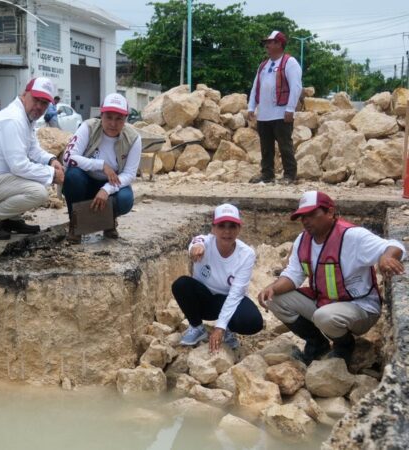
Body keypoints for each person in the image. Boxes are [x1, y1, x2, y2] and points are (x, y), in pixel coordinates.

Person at [258, 191, 405, 366]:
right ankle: (317, 345)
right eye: (302, 216)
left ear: (330, 212)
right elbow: (293, 275)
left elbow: (395, 245)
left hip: (361, 307)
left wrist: (387, 257)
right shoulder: (302, 240)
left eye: (312, 214)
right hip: (325, 303)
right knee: (275, 299)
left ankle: (344, 346)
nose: (306, 220)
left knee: (324, 317)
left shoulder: (351, 236)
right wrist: (273, 288)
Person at [0, 77, 64, 240]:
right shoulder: (13, 119)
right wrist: (52, 175)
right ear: (25, 94)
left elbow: (33, 150)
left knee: (37, 177)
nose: (39, 106)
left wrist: (51, 160)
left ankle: (10, 219)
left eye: (44, 103)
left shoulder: (25, 118)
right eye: (36, 99)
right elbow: (19, 166)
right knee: (38, 192)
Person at [171, 204, 263, 351]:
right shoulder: (204, 242)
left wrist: (220, 327)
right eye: (221, 226)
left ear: (239, 228)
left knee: (253, 321)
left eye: (232, 226)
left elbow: (236, 294)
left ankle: (228, 330)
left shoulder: (246, 254)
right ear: (213, 228)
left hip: (227, 300)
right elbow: (196, 242)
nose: (227, 231)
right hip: (205, 300)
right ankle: (196, 327)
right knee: (181, 284)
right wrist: (195, 249)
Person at [61, 93, 141, 242]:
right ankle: (75, 223)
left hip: (111, 185)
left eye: (119, 119)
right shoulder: (88, 127)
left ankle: (108, 222)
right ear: (101, 115)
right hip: (86, 181)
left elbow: (130, 174)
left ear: (125, 119)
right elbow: (68, 158)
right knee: (72, 177)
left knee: (125, 199)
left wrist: (106, 189)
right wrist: (101, 165)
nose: (113, 123)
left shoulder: (133, 138)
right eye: (108, 117)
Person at [247, 30, 302, 184]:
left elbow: (296, 87)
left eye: (270, 42)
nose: (267, 45)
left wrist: (290, 109)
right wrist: (251, 107)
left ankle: (290, 175)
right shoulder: (263, 65)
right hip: (264, 114)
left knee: (285, 146)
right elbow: (255, 87)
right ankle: (267, 174)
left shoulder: (289, 63)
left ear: (279, 44)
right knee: (266, 148)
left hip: (281, 113)